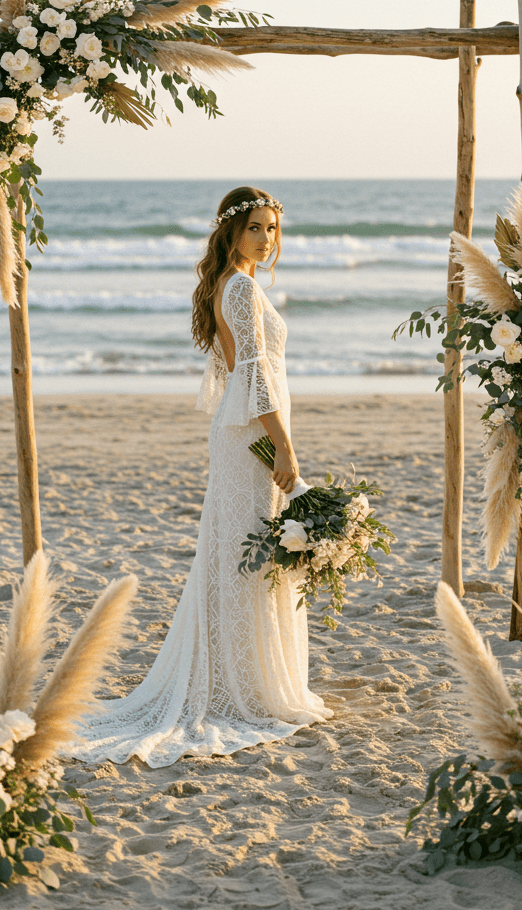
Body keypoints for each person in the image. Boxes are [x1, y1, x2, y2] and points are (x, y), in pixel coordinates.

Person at [74, 186, 332, 767]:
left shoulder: (232, 285)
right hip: (252, 437)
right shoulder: (240, 288)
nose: (266, 240)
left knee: (245, 553)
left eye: (272, 229)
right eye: (255, 229)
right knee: (250, 554)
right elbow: (257, 374)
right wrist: (284, 445)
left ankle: (247, 677)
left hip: (242, 431)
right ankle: (244, 687)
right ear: (231, 234)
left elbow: (238, 372)